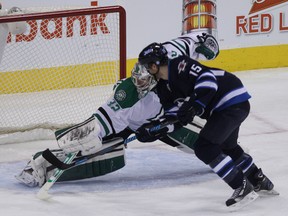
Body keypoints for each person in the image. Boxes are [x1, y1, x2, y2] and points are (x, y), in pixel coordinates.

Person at [16, 31, 218, 187]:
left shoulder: (171, 54)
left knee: (206, 144)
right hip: (132, 123)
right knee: (106, 156)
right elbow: (98, 124)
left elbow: (195, 40)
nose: (138, 84)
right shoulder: (128, 95)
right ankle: (40, 167)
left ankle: (229, 152)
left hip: (167, 116)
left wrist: (208, 44)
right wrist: (86, 137)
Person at [137, 42, 278, 207]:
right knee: (227, 146)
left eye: (147, 67)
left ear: (154, 65)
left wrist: (195, 105)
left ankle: (242, 186)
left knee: (204, 147)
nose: (145, 71)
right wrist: (157, 128)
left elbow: (208, 79)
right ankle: (259, 180)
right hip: (227, 107)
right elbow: (176, 117)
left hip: (230, 100)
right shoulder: (162, 89)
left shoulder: (180, 65)